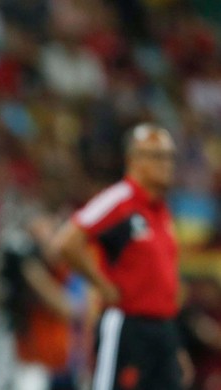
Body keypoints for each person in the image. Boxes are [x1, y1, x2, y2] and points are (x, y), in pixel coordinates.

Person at [49, 123, 194, 390]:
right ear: (134, 160)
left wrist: (174, 343)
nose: (167, 164)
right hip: (128, 326)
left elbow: (164, 281)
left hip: (163, 330)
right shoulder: (120, 199)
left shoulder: (162, 210)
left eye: (170, 156)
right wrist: (102, 284)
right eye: (158, 156)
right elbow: (66, 243)